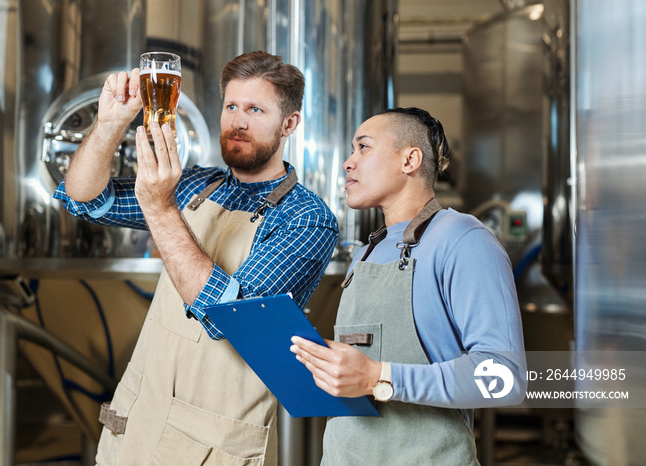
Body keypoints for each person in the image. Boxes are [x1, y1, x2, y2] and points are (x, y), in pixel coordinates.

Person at [54, 51, 338, 465]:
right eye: (231, 107)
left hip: (212, 445)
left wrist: (159, 207)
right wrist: (110, 125)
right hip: (137, 425)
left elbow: (229, 314)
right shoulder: (195, 184)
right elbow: (84, 199)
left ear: (289, 124)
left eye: (255, 109)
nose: (238, 121)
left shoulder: (307, 218)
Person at [290, 107, 526, 465]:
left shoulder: (463, 239)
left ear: (410, 160)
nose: (348, 163)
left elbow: (504, 378)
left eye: (363, 147)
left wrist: (377, 377)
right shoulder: (364, 255)